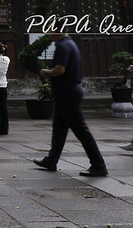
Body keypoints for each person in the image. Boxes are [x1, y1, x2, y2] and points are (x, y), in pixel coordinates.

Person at [33, 33, 108, 177]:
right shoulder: (70, 43)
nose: (48, 34)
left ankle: (99, 165)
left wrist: (45, 72)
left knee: (81, 131)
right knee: (59, 130)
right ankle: (51, 160)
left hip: (67, 93)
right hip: (67, 92)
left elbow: (60, 69)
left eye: (51, 30)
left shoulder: (62, 45)